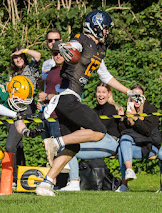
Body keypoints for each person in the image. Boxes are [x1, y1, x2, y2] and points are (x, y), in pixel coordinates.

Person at [35, 10, 145, 196]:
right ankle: (55, 142)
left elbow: (105, 76)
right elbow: (73, 45)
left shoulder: (99, 50)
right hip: (66, 97)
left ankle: (45, 183)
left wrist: (129, 92)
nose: (108, 32)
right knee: (99, 131)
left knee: (72, 147)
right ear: (97, 27)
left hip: (67, 100)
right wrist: (65, 46)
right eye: (106, 29)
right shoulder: (82, 40)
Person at [59, 82, 121, 191]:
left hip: (109, 142)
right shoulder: (94, 110)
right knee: (70, 147)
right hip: (98, 140)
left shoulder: (111, 109)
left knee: (71, 148)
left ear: (109, 94)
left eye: (103, 92)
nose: (100, 95)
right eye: (98, 92)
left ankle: (74, 182)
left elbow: (99, 129)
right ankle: (69, 181)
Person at [116, 85, 162, 192]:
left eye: (139, 95)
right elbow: (123, 132)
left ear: (144, 97)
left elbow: (148, 132)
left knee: (123, 144)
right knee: (124, 141)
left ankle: (124, 183)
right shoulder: (128, 108)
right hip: (134, 146)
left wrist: (136, 118)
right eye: (134, 95)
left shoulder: (150, 109)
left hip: (149, 147)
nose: (137, 98)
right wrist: (122, 119)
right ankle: (128, 173)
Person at [6, 46, 41, 183]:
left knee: (10, 145)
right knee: (18, 145)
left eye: (20, 56)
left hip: (25, 109)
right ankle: (23, 179)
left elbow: (37, 55)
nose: (18, 59)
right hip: (11, 110)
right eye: (15, 57)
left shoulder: (30, 69)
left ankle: (12, 179)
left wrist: (24, 50)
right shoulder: (13, 75)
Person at [38, 29, 63, 161]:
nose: (53, 43)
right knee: (47, 146)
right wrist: (41, 99)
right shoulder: (46, 64)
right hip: (46, 109)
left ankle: (68, 178)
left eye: (57, 40)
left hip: (59, 110)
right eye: (50, 40)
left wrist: (47, 97)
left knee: (59, 145)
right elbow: (47, 87)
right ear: (46, 43)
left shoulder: (66, 62)